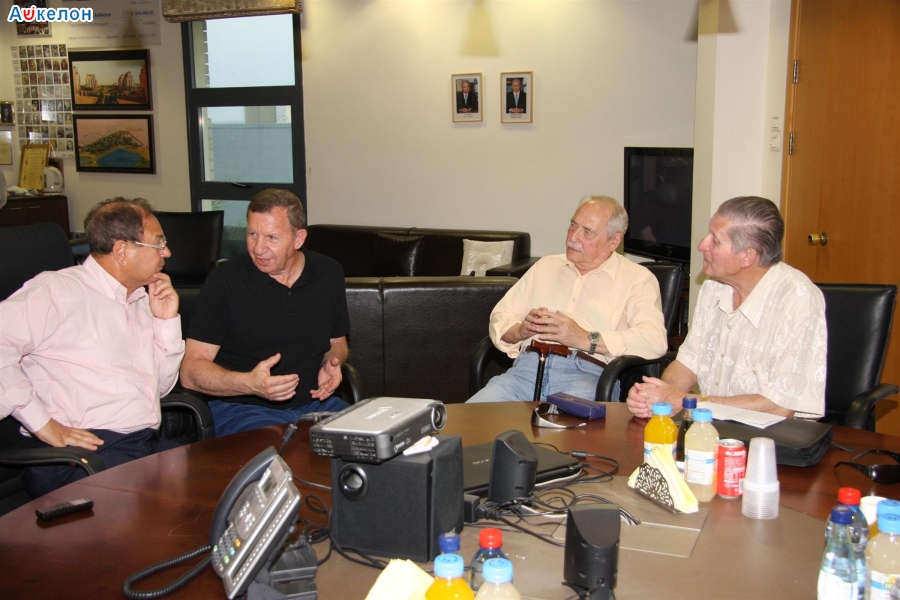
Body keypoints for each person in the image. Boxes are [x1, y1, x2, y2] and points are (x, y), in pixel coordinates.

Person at [0, 197, 184, 497]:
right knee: (180, 508)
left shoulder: (141, 299)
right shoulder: (56, 292)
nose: (167, 252)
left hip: (140, 443)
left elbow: (160, 390)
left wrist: (166, 322)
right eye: (159, 243)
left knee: (224, 487)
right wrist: (42, 423)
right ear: (122, 251)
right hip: (81, 457)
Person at [626, 196, 827, 419]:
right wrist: (656, 395)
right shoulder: (714, 285)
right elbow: (689, 361)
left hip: (774, 433)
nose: (702, 245)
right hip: (710, 423)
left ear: (747, 256)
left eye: (715, 240)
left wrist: (685, 401)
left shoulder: (797, 298)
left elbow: (780, 406)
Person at [179, 189, 351, 436]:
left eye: (271, 237)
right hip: (241, 409)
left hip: (317, 404)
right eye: (252, 234)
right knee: (283, 454)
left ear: (298, 238)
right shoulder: (224, 281)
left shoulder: (328, 272)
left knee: (374, 443)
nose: (258, 248)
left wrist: (332, 363)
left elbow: (337, 342)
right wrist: (250, 384)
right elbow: (190, 372)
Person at [467, 196, 668, 403]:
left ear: (614, 241)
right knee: (466, 421)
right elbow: (500, 316)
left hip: (587, 377)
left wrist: (584, 338)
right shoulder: (545, 266)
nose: (573, 237)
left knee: (561, 425)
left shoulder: (636, 278)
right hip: (524, 374)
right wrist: (520, 331)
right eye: (573, 225)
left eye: (587, 232)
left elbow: (654, 340)